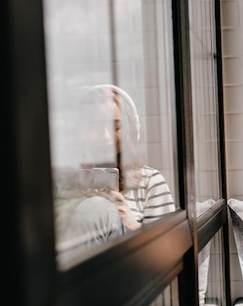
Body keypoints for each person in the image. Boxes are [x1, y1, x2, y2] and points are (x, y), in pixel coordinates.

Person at [56, 84, 175, 262]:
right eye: (96, 127)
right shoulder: (66, 183)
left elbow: (168, 257)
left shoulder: (149, 182)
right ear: (81, 132)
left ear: (130, 130)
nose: (105, 136)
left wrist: (127, 219)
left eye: (116, 127)